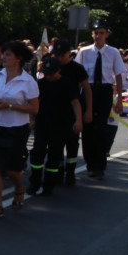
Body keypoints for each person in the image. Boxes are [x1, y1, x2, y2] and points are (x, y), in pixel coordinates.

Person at [0, 40, 39, 219]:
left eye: (7, 54)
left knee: (13, 169)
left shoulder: (28, 81)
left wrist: (10, 106)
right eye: (2, 53)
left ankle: (19, 188)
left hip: (16, 128)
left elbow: (34, 108)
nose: (2, 57)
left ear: (18, 58)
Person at [75, 20, 126, 179]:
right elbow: (77, 74)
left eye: (102, 33)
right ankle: (90, 164)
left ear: (106, 35)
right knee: (88, 128)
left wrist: (119, 101)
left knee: (101, 128)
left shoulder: (113, 52)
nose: (98, 36)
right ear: (92, 34)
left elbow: (118, 75)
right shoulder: (84, 51)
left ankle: (100, 165)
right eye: (96, 33)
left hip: (104, 90)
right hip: (88, 88)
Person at [28, 57, 82, 195]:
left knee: (55, 155)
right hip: (42, 123)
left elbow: (75, 103)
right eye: (46, 73)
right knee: (37, 152)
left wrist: (78, 121)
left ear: (58, 70)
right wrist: (31, 119)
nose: (48, 76)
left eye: (51, 73)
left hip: (61, 125)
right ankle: (35, 182)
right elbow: (34, 102)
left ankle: (49, 185)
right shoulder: (41, 84)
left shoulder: (67, 84)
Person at [51, 39, 91, 186]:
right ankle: (59, 172)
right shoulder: (53, 66)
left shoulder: (77, 68)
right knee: (57, 144)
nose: (59, 58)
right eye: (57, 55)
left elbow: (86, 89)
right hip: (56, 111)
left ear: (69, 53)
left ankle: (70, 173)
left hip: (73, 111)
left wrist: (88, 111)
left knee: (72, 143)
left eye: (62, 55)